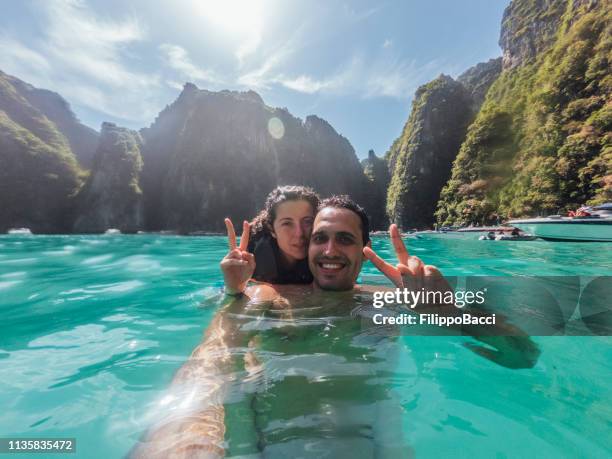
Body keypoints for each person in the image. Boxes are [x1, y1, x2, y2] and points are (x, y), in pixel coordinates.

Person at [132, 196, 539, 458]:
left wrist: (449, 311)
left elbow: (522, 356)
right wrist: (189, 440)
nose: (329, 250)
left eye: (344, 239)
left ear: (364, 250)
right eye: (319, 238)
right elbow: (213, 360)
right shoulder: (269, 298)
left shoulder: (391, 298)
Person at [222, 186, 319, 294]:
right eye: (287, 223)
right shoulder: (251, 260)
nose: (299, 233)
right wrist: (233, 288)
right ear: (272, 229)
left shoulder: (327, 255)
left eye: (308, 221)